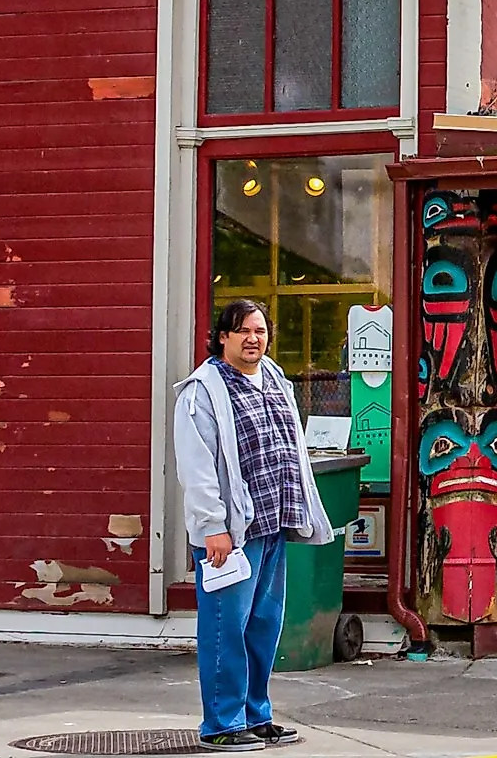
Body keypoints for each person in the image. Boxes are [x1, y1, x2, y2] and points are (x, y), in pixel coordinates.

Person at [173, 298, 337, 751]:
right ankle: (221, 725)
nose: (253, 339)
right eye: (243, 330)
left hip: (272, 523)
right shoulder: (202, 392)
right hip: (229, 536)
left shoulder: (276, 380)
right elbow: (197, 468)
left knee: (264, 625)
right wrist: (212, 527)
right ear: (222, 337)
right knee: (226, 628)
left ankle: (255, 715)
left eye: (260, 330)